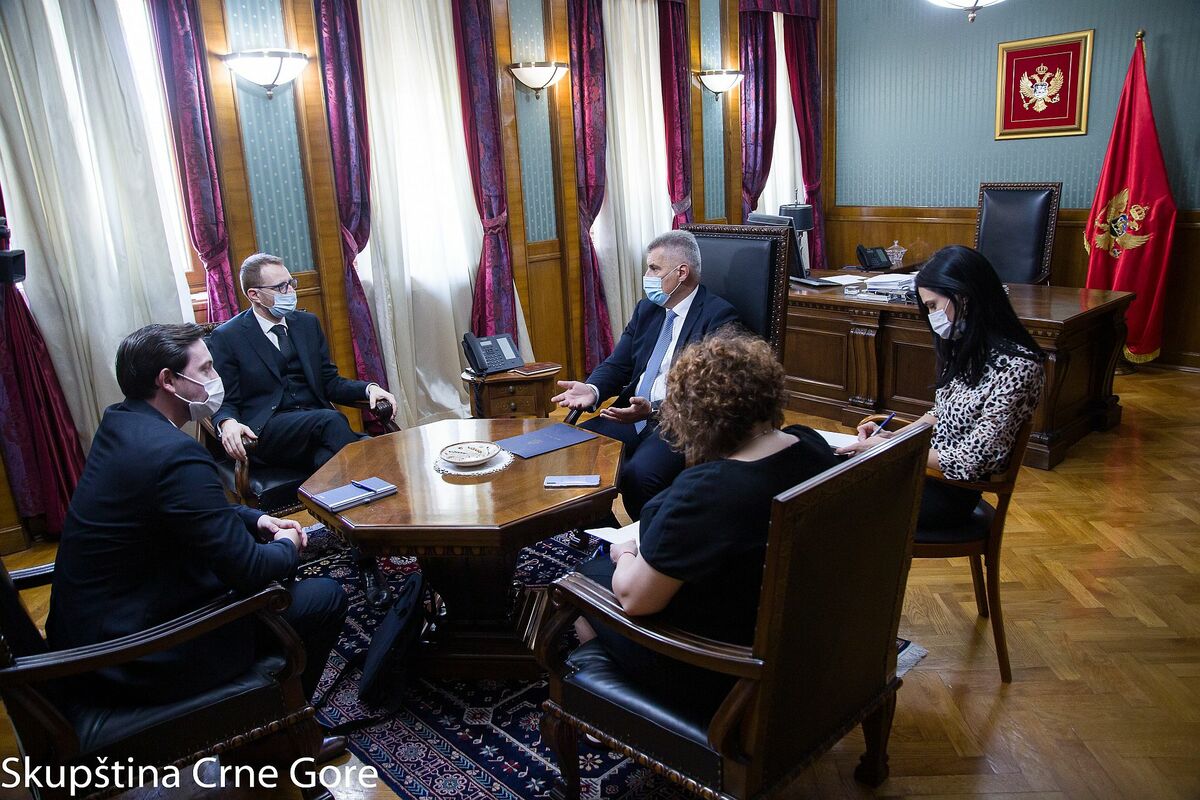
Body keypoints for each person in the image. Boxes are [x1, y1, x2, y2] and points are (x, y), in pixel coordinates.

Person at [47, 324, 348, 761]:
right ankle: (278, 736)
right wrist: (288, 544)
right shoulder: (175, 453)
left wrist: (257, 517)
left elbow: (186, 509)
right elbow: (249, 571)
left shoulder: (123, 424)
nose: (215, 377)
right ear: (168, 380)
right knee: (323, 598)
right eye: (205, 368)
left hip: (97, 634)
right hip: (137, 656)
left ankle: (269, 728)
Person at [573, 332, 840, 699]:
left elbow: (635, 599)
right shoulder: (811, 446)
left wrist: (626, 554)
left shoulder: (707, 491)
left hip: (723, 665)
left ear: (695, 419)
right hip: (798, 636)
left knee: (583, 583)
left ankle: (612, 702)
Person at [836, 245, 1045, 529]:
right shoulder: (968, 347)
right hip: (923, 473)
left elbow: (970, 462)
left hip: (948, 492)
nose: (932, 315)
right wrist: (892, 436)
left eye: (933, 305)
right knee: (825, 474)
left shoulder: (1018, 366)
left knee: (832, 500)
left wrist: (891, 447)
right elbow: (940, 413)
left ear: (964, 296)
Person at [551, 230, 739, 520]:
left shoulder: (718, 317)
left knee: (638, 475)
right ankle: (608, 533)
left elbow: (711, 392)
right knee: (574, 451)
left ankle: (652, 541)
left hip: (678, 423)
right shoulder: (647, 310)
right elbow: (618, 364)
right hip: (629, 417)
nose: (647, 276)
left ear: (682, 273)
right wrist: (593, 390)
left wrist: (652, 410)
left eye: (654, 268)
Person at [208, 252, 396, 472]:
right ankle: (375, 478)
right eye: (281, 287)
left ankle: (353, 489)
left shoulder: (307, 324)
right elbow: (225, 399)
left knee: (326, 459)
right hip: (268, 429)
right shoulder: (229, 336)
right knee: (333, 422)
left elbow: (330, 382)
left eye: (291, 283)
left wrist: (369, 389)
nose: (291, 291)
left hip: (313, 426)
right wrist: (227, 422)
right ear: (254, 295)